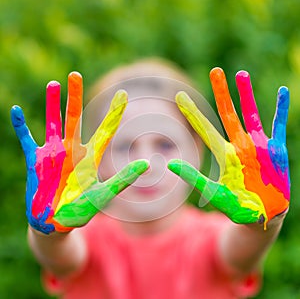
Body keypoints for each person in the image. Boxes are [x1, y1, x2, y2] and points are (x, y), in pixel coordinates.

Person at [11, 57, 290, 298]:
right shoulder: (88, 240)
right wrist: (47, 230)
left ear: (198, 149)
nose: (147, 164)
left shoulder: (211, 238)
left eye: (165, 144)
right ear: (94, 160)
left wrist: (266, 219)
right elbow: (59, 256)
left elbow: (244, 251)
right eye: (124, 147)